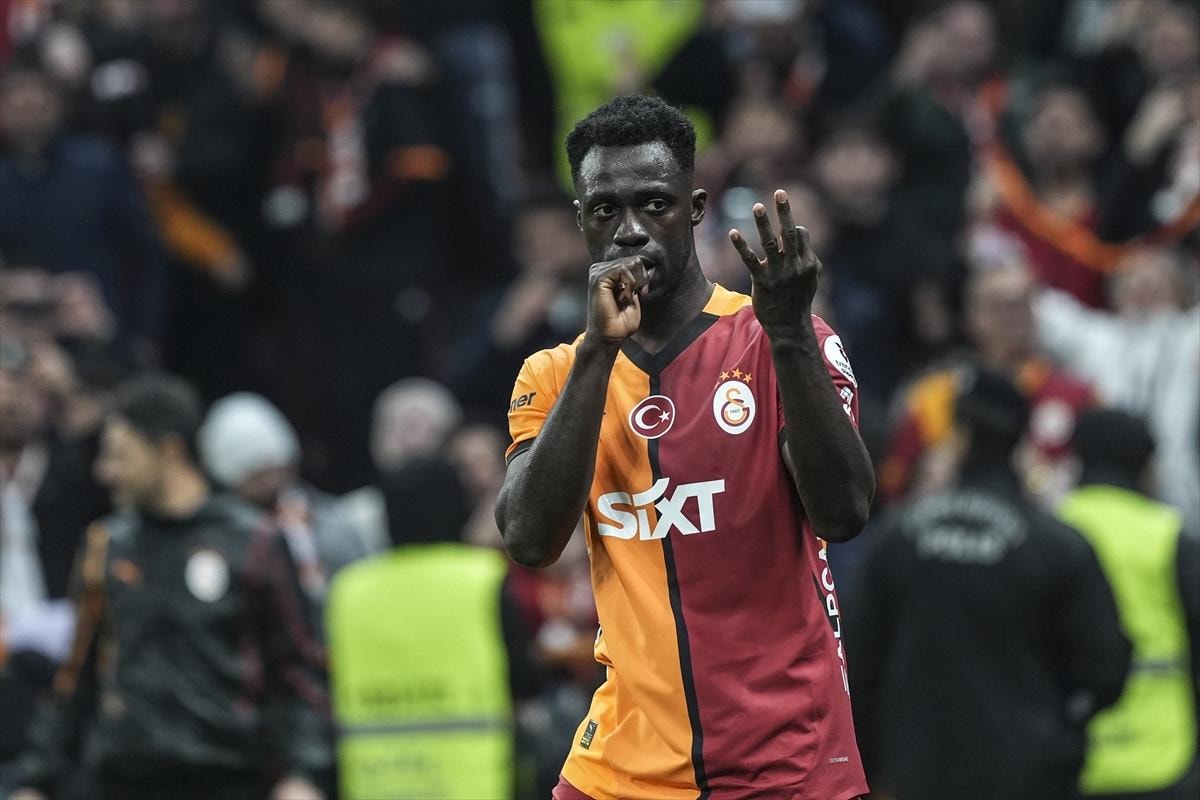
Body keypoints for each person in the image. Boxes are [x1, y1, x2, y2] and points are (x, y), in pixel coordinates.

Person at [495, 94, 875, 800]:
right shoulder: (554, 374)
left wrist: (791, 336)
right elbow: (528, 539)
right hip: (623, 770)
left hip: (786, 767)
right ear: (581, 222)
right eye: (605, 210)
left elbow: (845, 512)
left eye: (654, 205)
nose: (630, 230)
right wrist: (597, 353)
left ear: (695, 208)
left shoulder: (778, 338)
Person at [6, 374, 329, 800]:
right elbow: (76, 678)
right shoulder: (107, 545)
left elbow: (301, 669)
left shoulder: (254, 542)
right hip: (123, 783)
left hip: (229, 780)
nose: (105, 471)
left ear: (169, 451)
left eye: (121, 455)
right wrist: (35, 779)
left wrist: (304, 774)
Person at [848, 368, 1130, 800]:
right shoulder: (1056, 546)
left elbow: (857, 662)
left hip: (919, 772)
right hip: (1029, 775)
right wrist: (1062, 733)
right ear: (1023, 438)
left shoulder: (897, 538)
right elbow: (1107, 670)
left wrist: (875, 760)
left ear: (959, 435)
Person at [326, 456, 542, 800]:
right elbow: (525, 681)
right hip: (475, 783)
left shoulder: (349, 591)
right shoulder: (482, 577)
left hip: (375, 784)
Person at [1060, 408, 1199, 799]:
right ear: (1146, 466)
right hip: (1163, 754)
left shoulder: (1049, 529)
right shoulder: (1168, 535)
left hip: (1069, 755)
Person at [1034, 245, 1200, 537]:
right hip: (1109, 483)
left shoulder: (1190, 334)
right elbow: (1041, 308)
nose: (1143, 284)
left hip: (1177, 480)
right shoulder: (1099, 339)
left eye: (1156, 277)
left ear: (1179, 288)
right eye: (1132, 278)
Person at [197, 392, 377, 615]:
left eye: (275, 466)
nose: (270, 481)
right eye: (255, 474)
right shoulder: (219, 540)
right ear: (230, 478)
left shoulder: (334, 523)